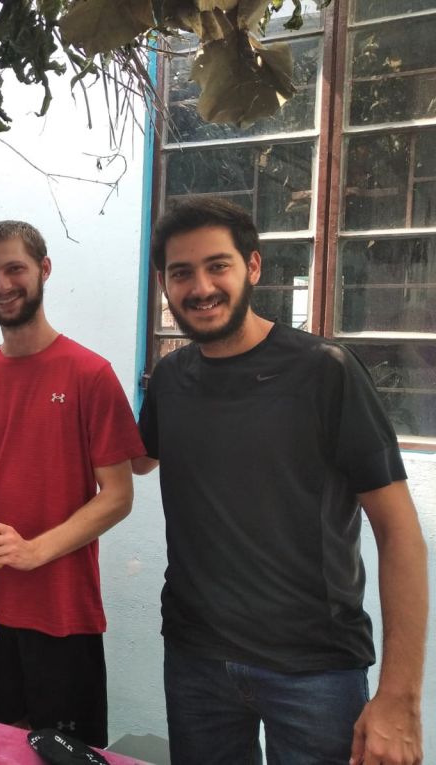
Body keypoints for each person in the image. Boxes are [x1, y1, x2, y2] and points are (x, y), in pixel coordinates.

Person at [135, 197, 429, 765]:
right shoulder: (170, 379)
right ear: (165, 285)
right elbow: (131, 460)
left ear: (253, 266)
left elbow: (400, 535)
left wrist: (400, 697)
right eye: (181, 272)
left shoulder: (325, 371)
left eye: (217, 266)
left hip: (315, 670)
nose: (200, 287)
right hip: (196, 660)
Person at [0, 221, 145, 747]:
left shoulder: (89, 374)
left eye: (15, 269)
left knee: (68, 757)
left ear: (44, 269)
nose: (2, 285)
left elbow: (118, 496)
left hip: (61, 615)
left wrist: (33, 551)